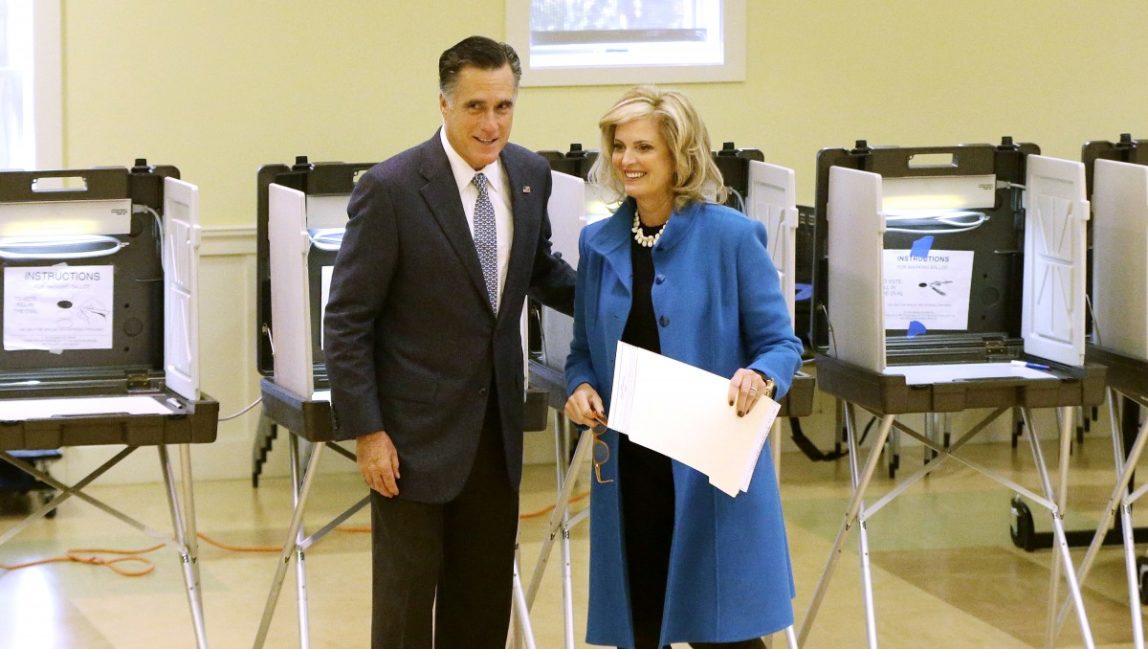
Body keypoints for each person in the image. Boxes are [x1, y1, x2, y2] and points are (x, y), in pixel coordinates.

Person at [323, 35, 576, 649]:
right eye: (475, 107)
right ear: (443, 104)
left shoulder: (530, 174)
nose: (491, 125)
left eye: (504, 107)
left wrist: (625, 299)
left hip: (496, 430)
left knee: (482, 599)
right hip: (410, 439)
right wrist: (368, 431)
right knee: (407, 606)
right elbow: (348, 319)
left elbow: (536, 268)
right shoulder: (392, 188)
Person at [563, 86, 804, 649]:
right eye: (620, 146)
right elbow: (581, 351)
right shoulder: (598, 245)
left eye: (644, 146)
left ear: (680, 154)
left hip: (707, 472)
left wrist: (760, 376)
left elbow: (780, 344)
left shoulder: (733, 237)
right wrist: (579, 386)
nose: (627, 160)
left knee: (725, 634)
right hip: (630, 474)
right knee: (642, 626)